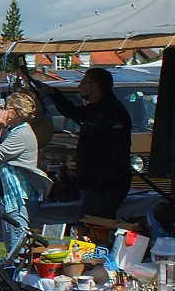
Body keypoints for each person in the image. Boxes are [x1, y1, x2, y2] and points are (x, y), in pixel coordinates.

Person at [31, 67, 131, 220]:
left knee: (98, 227)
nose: (79, 86)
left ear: (95, 86)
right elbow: (73, 112)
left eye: (84, 82)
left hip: (105, 188)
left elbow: (117, 155)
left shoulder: (113, 112)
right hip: (94, 185)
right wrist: (53, 94)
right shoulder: (95, 109)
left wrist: (99, 185)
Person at [0, 92, 53, 256]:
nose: (3, 112)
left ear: (18, 112)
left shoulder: (21, 134)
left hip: (19, 199)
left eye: (7, 108)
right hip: (13, 196)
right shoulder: (15, 131)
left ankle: (17, 277)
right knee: (13, 242)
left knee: (16, 247)